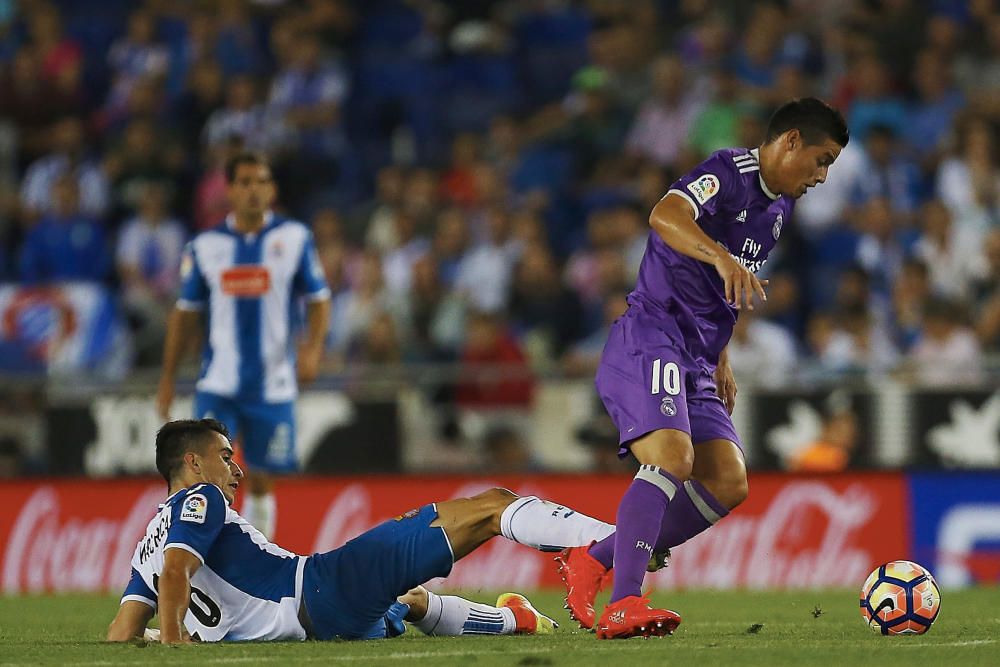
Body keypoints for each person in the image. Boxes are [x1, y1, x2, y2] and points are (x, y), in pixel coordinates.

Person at [556, 98, 849, 639]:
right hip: (652, 335)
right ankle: (625, 602)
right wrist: (719, 254)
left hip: (698, 355)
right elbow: (664, 215)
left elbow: (724, 293)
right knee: (673, 457)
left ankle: (593, 559)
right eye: (821, 159)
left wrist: (722, 355)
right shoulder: (727, 171)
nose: (823, 176)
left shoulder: (778, 210)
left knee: (728, 480)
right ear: (789, 142)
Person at [105, 419, 648, 643]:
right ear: (194, 465)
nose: (236, 469)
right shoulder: (199, 499)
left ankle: (515, 620)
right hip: (320, 588)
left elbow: (121, 635)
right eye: (225, 457)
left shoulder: (143, 545)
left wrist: (166, 636)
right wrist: (176, 648)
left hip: (322, 628)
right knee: (489, 506)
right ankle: (610, 542)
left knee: (404, 599)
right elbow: (179, 571)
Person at [156, 152, 331, 540]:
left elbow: (319, 298)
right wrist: (167, 377)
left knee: (263, 477)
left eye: (261, 182)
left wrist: (313, 348)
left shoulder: (294, 239)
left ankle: (260, 559)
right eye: (245, 182)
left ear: (272, 188)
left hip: (274, 383)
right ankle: (196, 559)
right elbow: (184, 314)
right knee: (203, 475)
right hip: (218, 382)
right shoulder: (205, 246)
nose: (254, 190)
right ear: (230, 190)